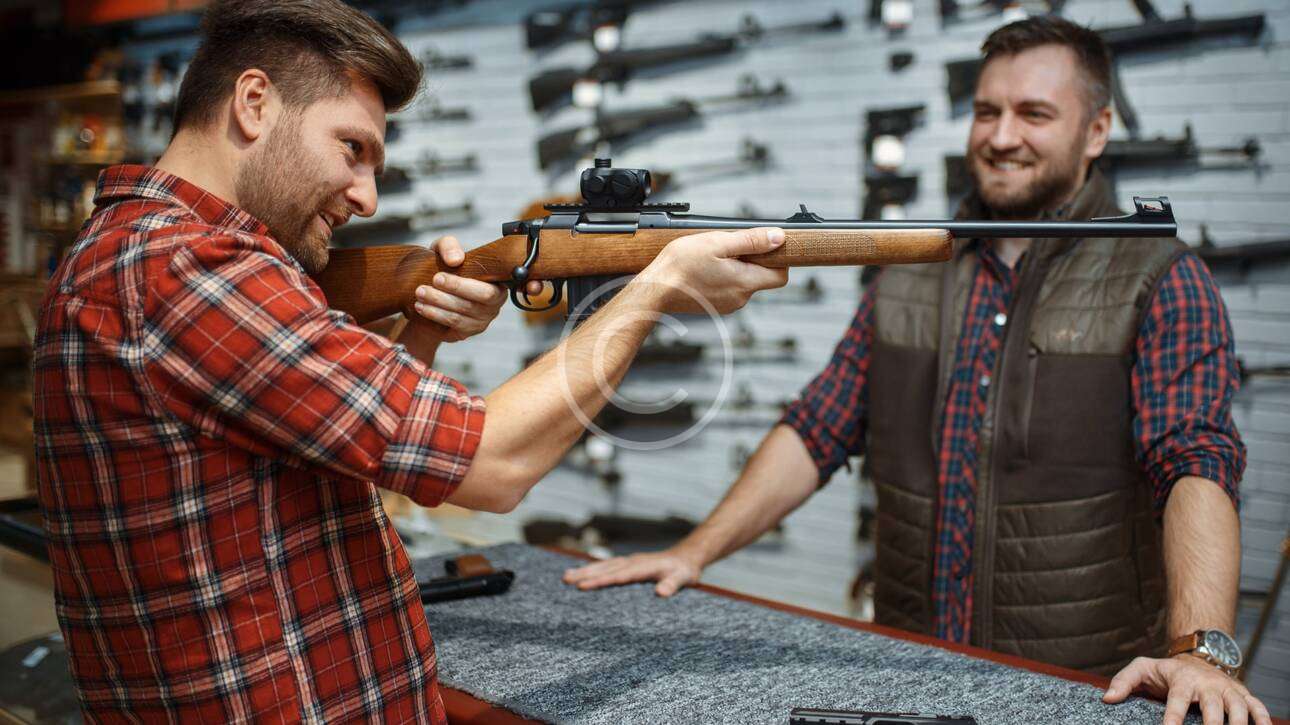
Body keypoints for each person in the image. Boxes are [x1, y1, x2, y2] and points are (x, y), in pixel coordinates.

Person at [32, 0, 787, 721]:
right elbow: (495, 465)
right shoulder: (188, 268)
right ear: (254, 103)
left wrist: (419, 334)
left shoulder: (147, 254)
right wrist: (655, 288)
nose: (366, 197)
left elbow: (306, 457)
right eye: (352, 148)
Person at [564, 16, 1271, 725]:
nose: (1001, 136)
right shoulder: (908, 272)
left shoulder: (1159, 278)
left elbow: (1196, 462)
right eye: (987, 111)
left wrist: (1199, 651)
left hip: (1080, 690)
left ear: (1096, 131)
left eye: (1034, 114)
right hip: (911, 678)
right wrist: (693, 552)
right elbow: (816, 429)